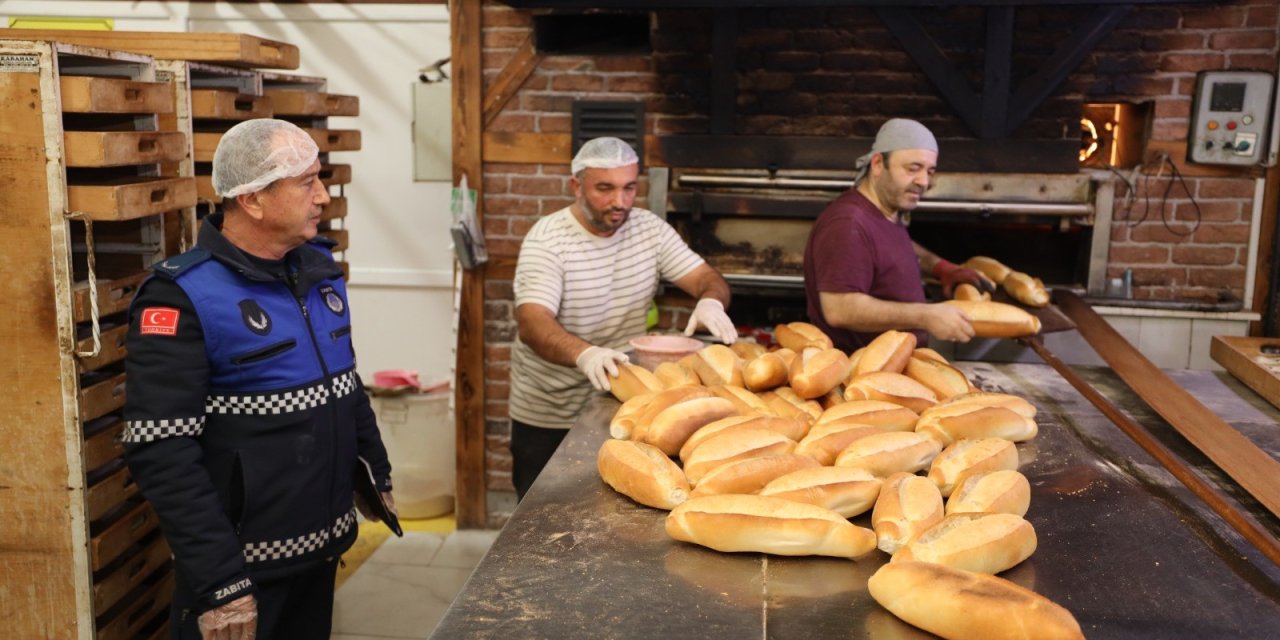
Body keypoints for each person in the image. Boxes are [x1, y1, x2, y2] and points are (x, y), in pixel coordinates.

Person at [123, 119, 395, 639]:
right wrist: (220, 582)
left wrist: (375, 473)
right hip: (243, 574)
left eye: (320, 178)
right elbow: (161, 450)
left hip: (319, 556)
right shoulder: (180, 296)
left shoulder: (317, 270)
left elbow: (344, 383)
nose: (322, 196)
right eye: (305, 182)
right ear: (252, 200)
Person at [510, 137, 735, 500]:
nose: (620, 202)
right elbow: (533, 323)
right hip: (551, 409)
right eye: (605, 188)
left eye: (629, 188)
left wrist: (711, 301)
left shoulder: (649, 229)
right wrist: (586, 354)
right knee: (542, 514)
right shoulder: (548, 241)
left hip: (622, 401)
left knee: (608, 509)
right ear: (576, 185)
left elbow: (708, 279)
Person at [803, 118, 993, 352]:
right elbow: (840, 309)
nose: (923, 181)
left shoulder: (885, 211)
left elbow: (886, 248)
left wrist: (940, 267)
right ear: (877, 164)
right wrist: (926, 316)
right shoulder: (847, 223)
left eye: (929, 171)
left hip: (894, 366)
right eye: (912, 168)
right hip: (859, 376)